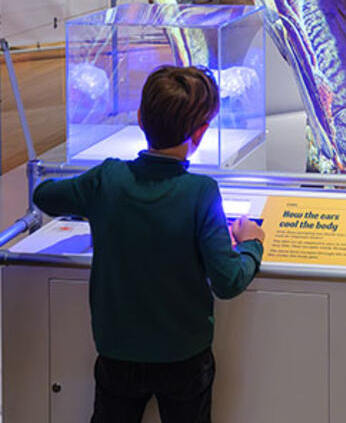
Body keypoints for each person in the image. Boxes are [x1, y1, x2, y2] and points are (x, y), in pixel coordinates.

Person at [33, 65, 266, 422]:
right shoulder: (200, 192)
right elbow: (228, 280)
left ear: (140, 118)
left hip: (117, 354)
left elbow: (45, 195)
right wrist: (251, 243)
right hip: (185, 357)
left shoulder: (107, 178)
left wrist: (95, 207)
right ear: (201, 132)